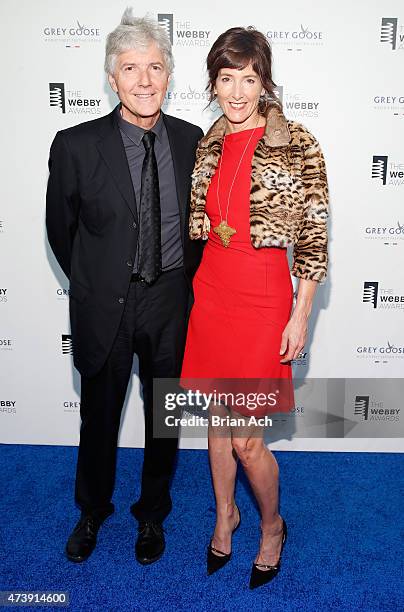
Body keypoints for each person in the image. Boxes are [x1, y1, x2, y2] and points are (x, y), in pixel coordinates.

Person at [46, 9, 203, 565]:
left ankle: (152, 514)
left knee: (164, 418)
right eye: (131, 68)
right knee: (100, 417)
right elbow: (61, 233)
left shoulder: (192, 142)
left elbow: (200, 228)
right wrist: (97, 279)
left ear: (168, 76)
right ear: (112, 79)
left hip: (168, 301)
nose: (144, 80)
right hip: (106, 302)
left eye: (155, 67)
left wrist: (178, 283)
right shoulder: (75, 145)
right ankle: (92, 510)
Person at [181, 26, 329, 588]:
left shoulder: (299, 143)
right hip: (212, 291)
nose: (238, 92)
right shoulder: (209, 142)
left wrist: (300, 312)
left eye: (249, 78)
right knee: (218, 419)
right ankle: (225, 514)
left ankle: (271, 525)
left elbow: (314, 235)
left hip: (265, 297)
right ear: (213, 83)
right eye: (226, 78)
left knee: (247, 439)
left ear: (265, 80)